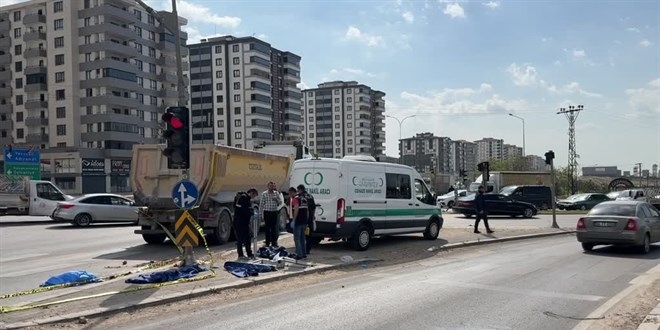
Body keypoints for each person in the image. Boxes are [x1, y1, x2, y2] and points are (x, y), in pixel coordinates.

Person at [234, 188, 259, 259]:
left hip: (242, 221)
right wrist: (251, 213)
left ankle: (248, 254)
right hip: (240, 222)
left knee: (246, 238)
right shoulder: (244, 198)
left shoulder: (244, 198)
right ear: (251, 193)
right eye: (254, 195)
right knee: (242, 239)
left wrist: (250, 211)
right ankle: (241, 255)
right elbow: (244, 210)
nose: (253, 197)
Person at [259, 182, 282, 248]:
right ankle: (267, 242)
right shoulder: (264, 194)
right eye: (270, 186)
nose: (271, 187)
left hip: (274, 212)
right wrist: (260, 214)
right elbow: (261, 204)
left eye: (273, 186)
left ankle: (274, 243)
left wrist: (276, 200)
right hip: (267, 212)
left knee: (274, 228)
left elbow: (280, 202)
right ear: (268, 186)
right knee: (267, 228)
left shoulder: (276, 193)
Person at [297, 184, 317, 255]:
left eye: (298, 190)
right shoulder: (310, 196)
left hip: (302, 218)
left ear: (300, 189)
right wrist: (313, 216)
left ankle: (302, 250)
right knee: (308, 235)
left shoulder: (300, 197)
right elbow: (314, 207)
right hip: (310, 219)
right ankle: (308, 249)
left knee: (301, 235)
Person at [291, 185, 309, 259]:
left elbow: (296, 209)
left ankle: (299, 254)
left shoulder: (296, 199)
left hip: (298, 221)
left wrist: (294, 220)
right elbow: (307, 211)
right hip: (304, 221)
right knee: (302, 238)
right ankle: (304, 253)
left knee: (297, 239)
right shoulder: (305, 199)